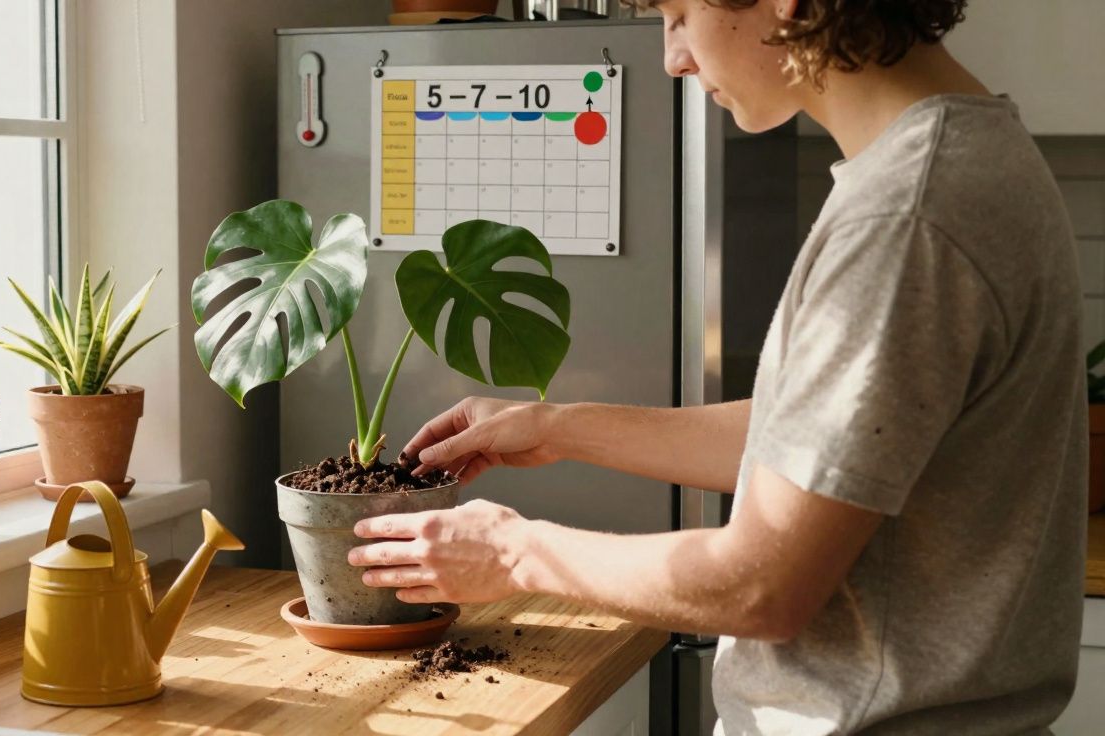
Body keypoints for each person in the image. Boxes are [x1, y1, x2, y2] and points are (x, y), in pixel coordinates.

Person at [347, 0, 1087, 732]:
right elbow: (818, 452)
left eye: (677, 16)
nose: (673, 59)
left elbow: (761, 585)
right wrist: (558, 426)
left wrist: (515, 554)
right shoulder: (968, 154)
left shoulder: (905, 220)